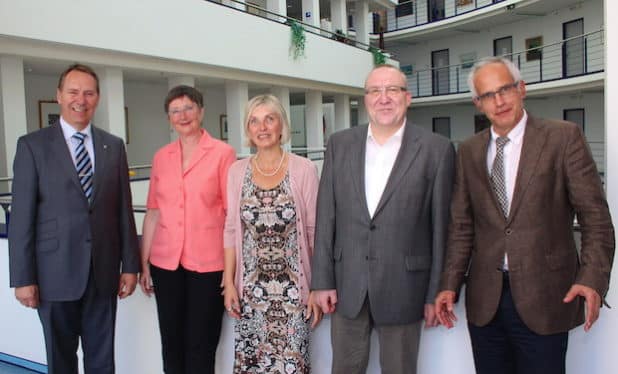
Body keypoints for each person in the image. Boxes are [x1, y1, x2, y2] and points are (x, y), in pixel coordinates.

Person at [435, 56, 615, 374]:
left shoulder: (563, 137)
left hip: (546, 296)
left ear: (522, 89)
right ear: (478, 103)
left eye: (505, 89)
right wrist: (449, 284)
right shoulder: (469, 151)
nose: (499, 100)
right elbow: (462, 226)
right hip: (486, 300)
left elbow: (595, 219)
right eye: (488, 95)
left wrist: (592, 280)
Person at [311, 65, 456, 374]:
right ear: (365, 99)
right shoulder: (340, 144)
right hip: (347, 285)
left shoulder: (437, 149)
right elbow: (326, 217)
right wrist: (321, 281)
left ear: (408, 97)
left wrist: (434, 293)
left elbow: (441, 229)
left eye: (392, 90)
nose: (384, 98)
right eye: (375, 91)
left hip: (405, 287)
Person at [8, 63, 139, 374]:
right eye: (73, 92)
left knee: (102, 360)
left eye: (89, 93)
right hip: (53, 275)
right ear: (59, 96)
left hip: (103, 273)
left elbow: (123, 210)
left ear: (97, 98)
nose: (81, 99)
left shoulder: (113, 146)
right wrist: (23, 278)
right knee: (61, 359)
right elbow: (22, 217)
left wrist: (130, 266)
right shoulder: (32, 146)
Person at [138, 85, 236, 374]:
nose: (183, 116)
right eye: (175, 111)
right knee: (171, 341)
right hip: (165, 263)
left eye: (188, 108)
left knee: (201, 343)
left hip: (208, 265)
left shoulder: (222, 153)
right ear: (169, 118)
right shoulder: (161, 157)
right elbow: (153, 212)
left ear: (201, 111)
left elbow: (231, 215)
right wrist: (145, 264)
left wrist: (231, 272)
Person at [222, 94, 322, 373]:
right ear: (247, 129)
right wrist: (229, 283)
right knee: (253, 366)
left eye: (269, 119)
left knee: (291, 366)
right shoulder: (236, 171)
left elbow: (316, 232)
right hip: (251, 293)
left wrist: (316, 287)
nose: (262, 127)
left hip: (293, 294)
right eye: (254, 121)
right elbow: (231, 229)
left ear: (282, 126)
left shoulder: (304, 169)